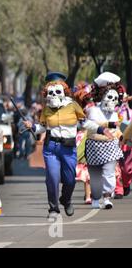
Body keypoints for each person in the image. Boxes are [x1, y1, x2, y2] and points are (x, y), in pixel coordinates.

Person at [23, 72, 111, 218]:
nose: (54, 94)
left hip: (68, 149)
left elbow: (85, 123)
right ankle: (53, 209)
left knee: (70, 179)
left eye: (58, 90)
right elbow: (42, 127)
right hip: (51, 148)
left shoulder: (73, 106)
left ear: (64, 91)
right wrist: (32, 126)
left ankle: (66, 199)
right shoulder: (46, 109)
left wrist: (102, 129)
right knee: (52, 177)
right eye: (51, 91)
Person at [84, 72, 124, 209]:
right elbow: (91, 126)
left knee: (109, 173)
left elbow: (116, 130)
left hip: (110, 146)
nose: (112, 100)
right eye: (109, 96)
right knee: (94, 175)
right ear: (102, 96)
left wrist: (121, 136)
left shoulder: (115, 114)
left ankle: (107, 197)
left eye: (114, 97)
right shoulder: (92, 111)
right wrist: (108, 125)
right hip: (94, 146)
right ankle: (96, 198)